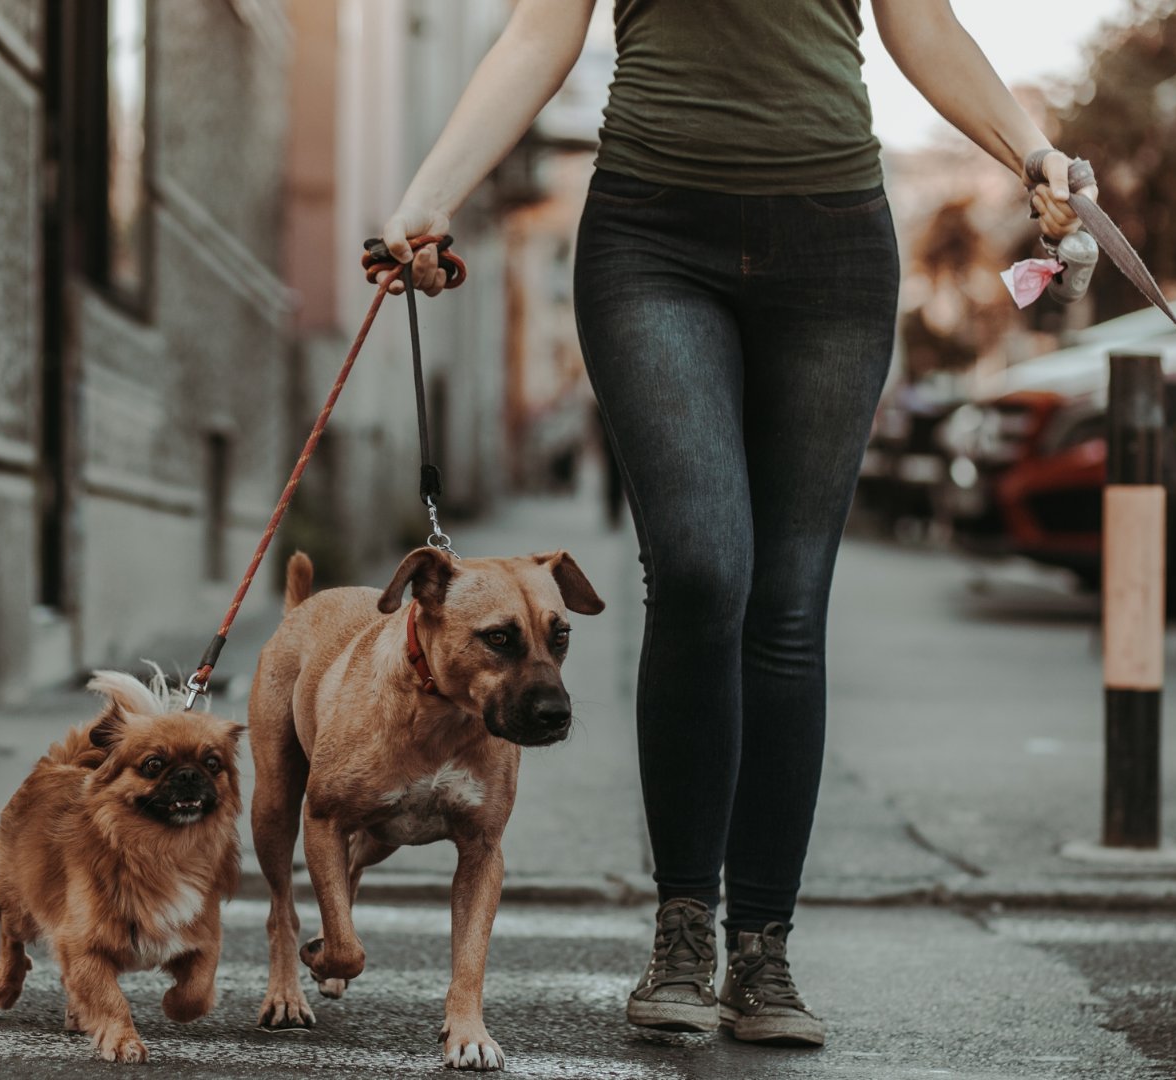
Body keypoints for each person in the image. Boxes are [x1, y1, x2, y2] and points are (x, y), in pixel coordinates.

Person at [375, 0, 1093, 1049]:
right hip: (652, 238)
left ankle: (763, 946)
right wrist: (426, 200)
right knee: (706, 571)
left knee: (788, 604)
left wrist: (1033, 153)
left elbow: (922, 23)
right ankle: (682, 925)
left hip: (833, 247)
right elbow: (540, 30)